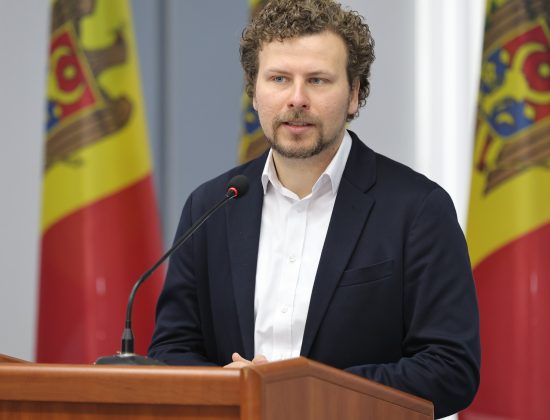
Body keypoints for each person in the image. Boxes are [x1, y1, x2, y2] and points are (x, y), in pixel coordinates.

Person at [149, 0, 480, 417]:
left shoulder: (418, 210)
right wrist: (228, 388)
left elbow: (451, 368)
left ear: (354, 94)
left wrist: (309, 393)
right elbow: (171, 349)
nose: (297, 99)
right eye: (279, 79)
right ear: (254, 92)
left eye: (318, 80)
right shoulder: (212, 205)